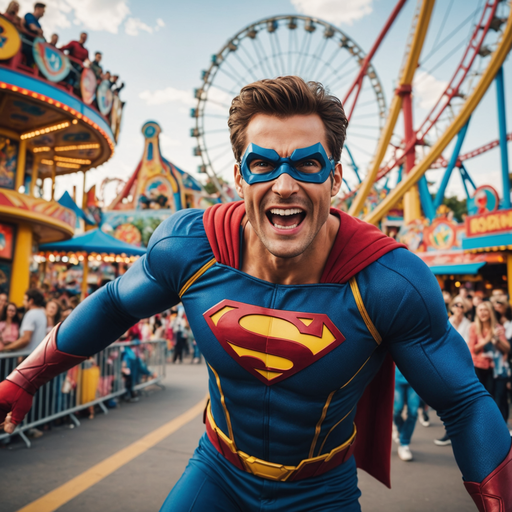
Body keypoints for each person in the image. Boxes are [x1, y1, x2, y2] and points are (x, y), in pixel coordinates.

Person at [0, 77, 511, 511]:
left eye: (307, 165)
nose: (284, 184)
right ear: (240, 177)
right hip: (217, 472)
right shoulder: (190, 248)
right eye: (262, 164)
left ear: (335, 179)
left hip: (322, 491)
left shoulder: (387, 281)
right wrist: (27, 376)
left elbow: (464, 404)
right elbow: (114, 303)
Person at [434, 295, 472, 447]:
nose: (458, 308)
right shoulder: (447, 322)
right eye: (456, 305)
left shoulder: (469, 325)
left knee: (461, 401)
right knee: (449, 400)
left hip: (463, 365)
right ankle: (450, 433)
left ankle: (462, 434)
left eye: (462, 306)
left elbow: (468, 345)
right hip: (447, 365)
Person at [468, 301, 508, 394]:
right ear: (477, 312)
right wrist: (488, 338)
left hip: (493, 367)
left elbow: (507, 349)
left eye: (486, 310)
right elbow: (472, 349)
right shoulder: (473, 327)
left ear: (491, 312)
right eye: (480, 310)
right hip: (477, 366)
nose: (483, 312)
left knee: (491, 395)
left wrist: (497, 340)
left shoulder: (498, 328)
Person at [0, 288, 47, 353]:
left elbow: (25, 339)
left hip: (29, 355)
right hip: (37, 354)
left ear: (31, 301)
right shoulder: (42, 312)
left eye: (25, 300)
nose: (23, 302)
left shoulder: (30, 314)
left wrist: (6, 348)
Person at [393, 367, 420, 461]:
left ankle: (404, 444)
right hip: (396, 377)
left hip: (416, 378)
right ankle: (401, 431)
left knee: (413, 413)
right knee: (397, 411)